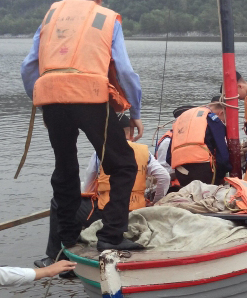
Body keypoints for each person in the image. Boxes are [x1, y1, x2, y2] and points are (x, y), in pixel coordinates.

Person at [20, 0, 143, 252]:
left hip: (51, 98)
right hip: (89, 97)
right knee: (123, 164)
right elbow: (125, 72)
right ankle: (111, 236)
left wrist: (40, 98)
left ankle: (67, 240)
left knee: (65, 168)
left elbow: (28, 67)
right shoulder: (106, 18)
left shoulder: (52, 16)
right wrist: (135, 112)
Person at [37, 114, 170, 270]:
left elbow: (88, 184)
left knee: (61, 202)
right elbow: (164, 177)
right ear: (131, 132)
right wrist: (155, 202)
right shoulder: (143, 152)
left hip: (106, 213)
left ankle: (56, 257)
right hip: (137, 210)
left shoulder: (101, 152)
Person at [168, 102, 231, 188]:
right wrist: (221, 176)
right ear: (221, 113)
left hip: (180, 171)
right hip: (203, 169)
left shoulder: (181, 120)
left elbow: (168, 157)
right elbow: (223, 157)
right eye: (224, 120)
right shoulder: (213, 120)